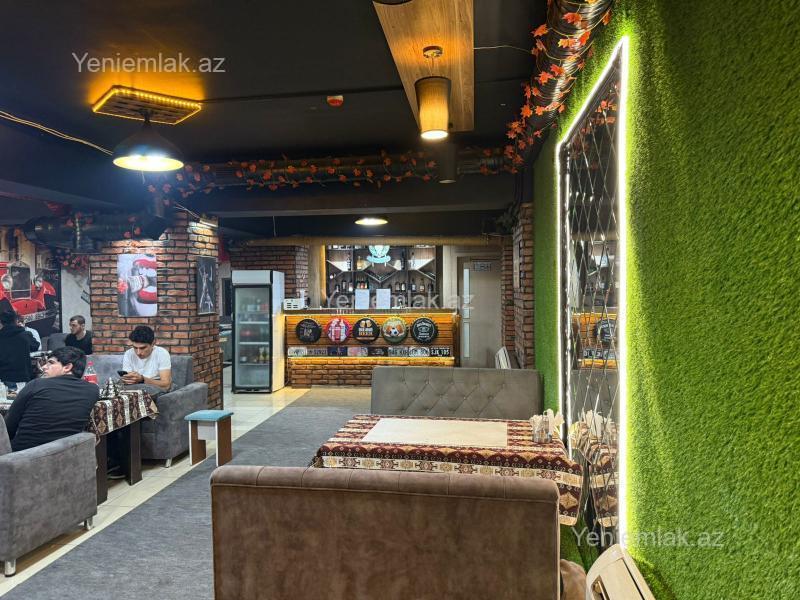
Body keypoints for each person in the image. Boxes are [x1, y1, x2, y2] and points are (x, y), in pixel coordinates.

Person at [3, 346, 99, 452]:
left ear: (67, 367)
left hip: (22, 455)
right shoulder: (93, 390)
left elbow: (8, 427)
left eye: (51, 363)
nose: (44, 367)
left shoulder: (36, 384)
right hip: (66, 455)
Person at [121, 325, 172, 392]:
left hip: (155, 385)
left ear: (153, 343)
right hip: (136, 387)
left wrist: (142, 379)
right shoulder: (129, 353)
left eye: (142, 348)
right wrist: (127, 380)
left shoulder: (162, 353)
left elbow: (166, 385)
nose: (138, 353)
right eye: (135, 348)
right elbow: (129, 381)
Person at [0, 310, 37, 385]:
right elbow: (35, 346)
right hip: (24, 376)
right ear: (16, 320)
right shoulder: (25, 334)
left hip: (4, 377)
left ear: (1, 322)